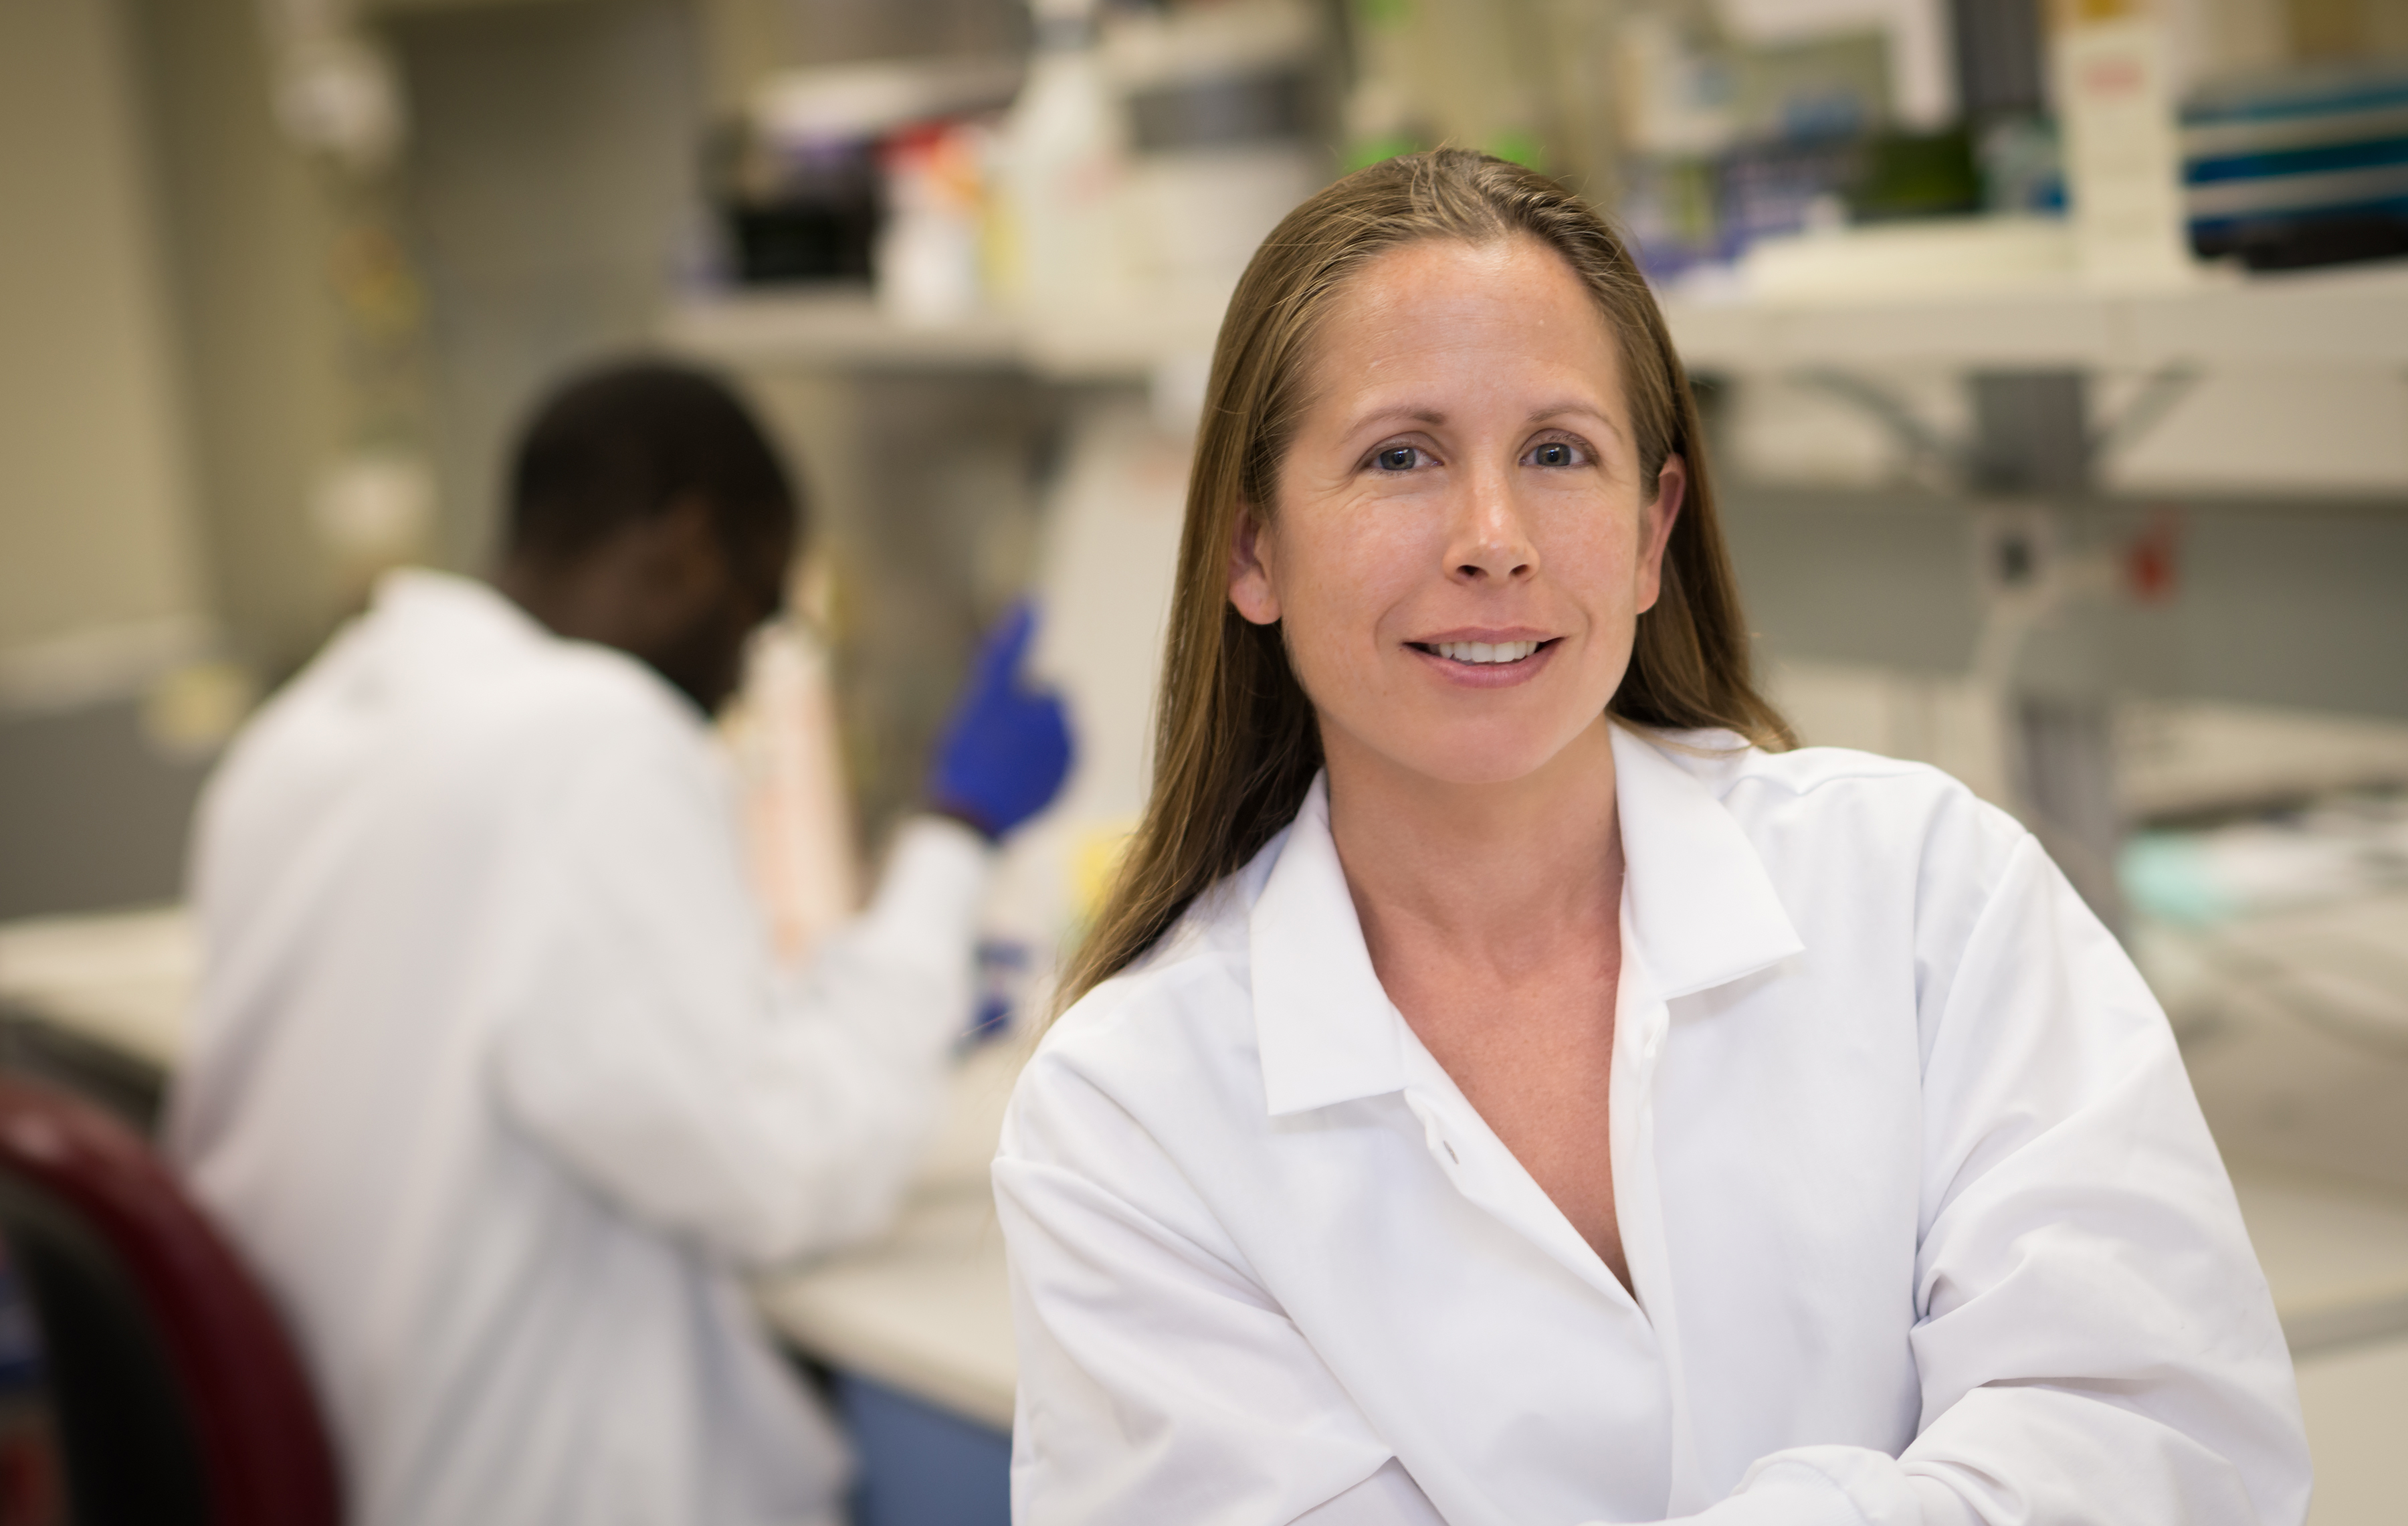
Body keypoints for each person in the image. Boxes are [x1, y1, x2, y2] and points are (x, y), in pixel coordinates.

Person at [991, 152, 2311, 1525]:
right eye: (1402, 456)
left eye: (1559, 453)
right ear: (1251, 550)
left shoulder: (1928, 897)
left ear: (1649, 533)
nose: (1494, 539)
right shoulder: (1132, 1114)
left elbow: (2166, 1439)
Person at [168, 360, 1071, 1526]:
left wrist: (869, 1013)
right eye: (762, 614)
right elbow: (786, 1175)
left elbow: (552, 1044)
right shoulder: (585, 733)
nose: (749, 672)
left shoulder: (309, 726)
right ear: (688, 546)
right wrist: (956, 831)